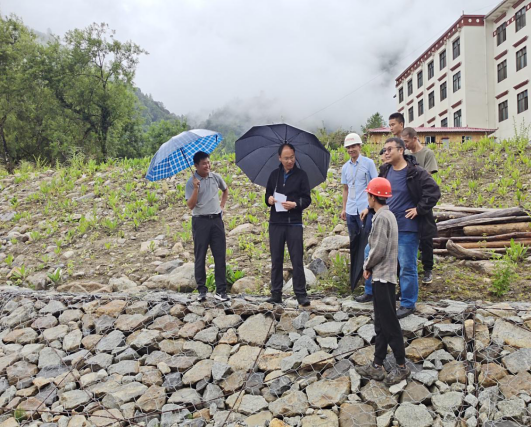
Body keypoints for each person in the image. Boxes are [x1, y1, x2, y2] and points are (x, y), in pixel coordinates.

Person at [358, 138, 440, 319]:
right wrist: (369, 208)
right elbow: (379, 195)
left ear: (401, 150)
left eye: (389, 149)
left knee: (406, 265)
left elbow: (434, 191)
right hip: (384, 224)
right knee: (369, 254)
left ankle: (408, 303)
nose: (385, 153)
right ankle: (370, 291)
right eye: (384, 150)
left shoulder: (415, 172)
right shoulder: (385, 171)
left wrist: (419, 209)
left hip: (406, 227)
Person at [356, 177, 410, 385]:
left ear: (372, 196)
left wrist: (366, 266)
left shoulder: (380, 218)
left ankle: (402, 366)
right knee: (381, 321)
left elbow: (378, 249)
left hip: (383, 277)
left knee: (389, 323)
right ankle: (377, 365)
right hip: (386, 276)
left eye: (368, 195)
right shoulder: (389, 215)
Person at [265, 143, 311, 307]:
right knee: (276, 259)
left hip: (294, 223)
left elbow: (307, 199)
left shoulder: (301, 175)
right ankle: (276, 293)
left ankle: (301, 294)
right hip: (276, 222)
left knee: (296, 259)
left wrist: (295, 204)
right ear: (280, 158)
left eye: (292, 157)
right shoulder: (274, 175)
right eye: (286, 158)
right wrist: (269, 199)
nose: (290, 160)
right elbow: (267, 196)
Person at [185, 151, 230, 303]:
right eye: (204, 164)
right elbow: (190, 205)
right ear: (196, 166)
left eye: (208, 162)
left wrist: (222, 205)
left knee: (220, 256)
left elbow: (225, 189)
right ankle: (202, 290)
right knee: (200, 256)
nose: (207, 166)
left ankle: (221, 291)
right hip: (200, 221)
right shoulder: (191, 183)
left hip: (216, 220)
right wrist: (196, 188)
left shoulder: (215, 177)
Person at [340, 132, 378, 290]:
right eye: (348, 147)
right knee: (354, 242)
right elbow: (345, 189)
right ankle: (354, 279)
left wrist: (370, 207)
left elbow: (375, 185)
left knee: (367, 242)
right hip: (351, 210)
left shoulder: (368, 163)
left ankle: (367, 277)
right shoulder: (345, 167)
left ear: (360, 146)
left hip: (365, 209)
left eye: (353, 146)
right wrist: (343, 209)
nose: (351, 150)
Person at [402, 127, 439, 285]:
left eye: (407, 142)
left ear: (414, 138)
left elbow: (427, 178)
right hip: (409, 201)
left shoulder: (427, 154)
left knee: (426, 238)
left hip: (422, 201)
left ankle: (428, 269)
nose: (406, 145)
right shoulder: (406, 155)